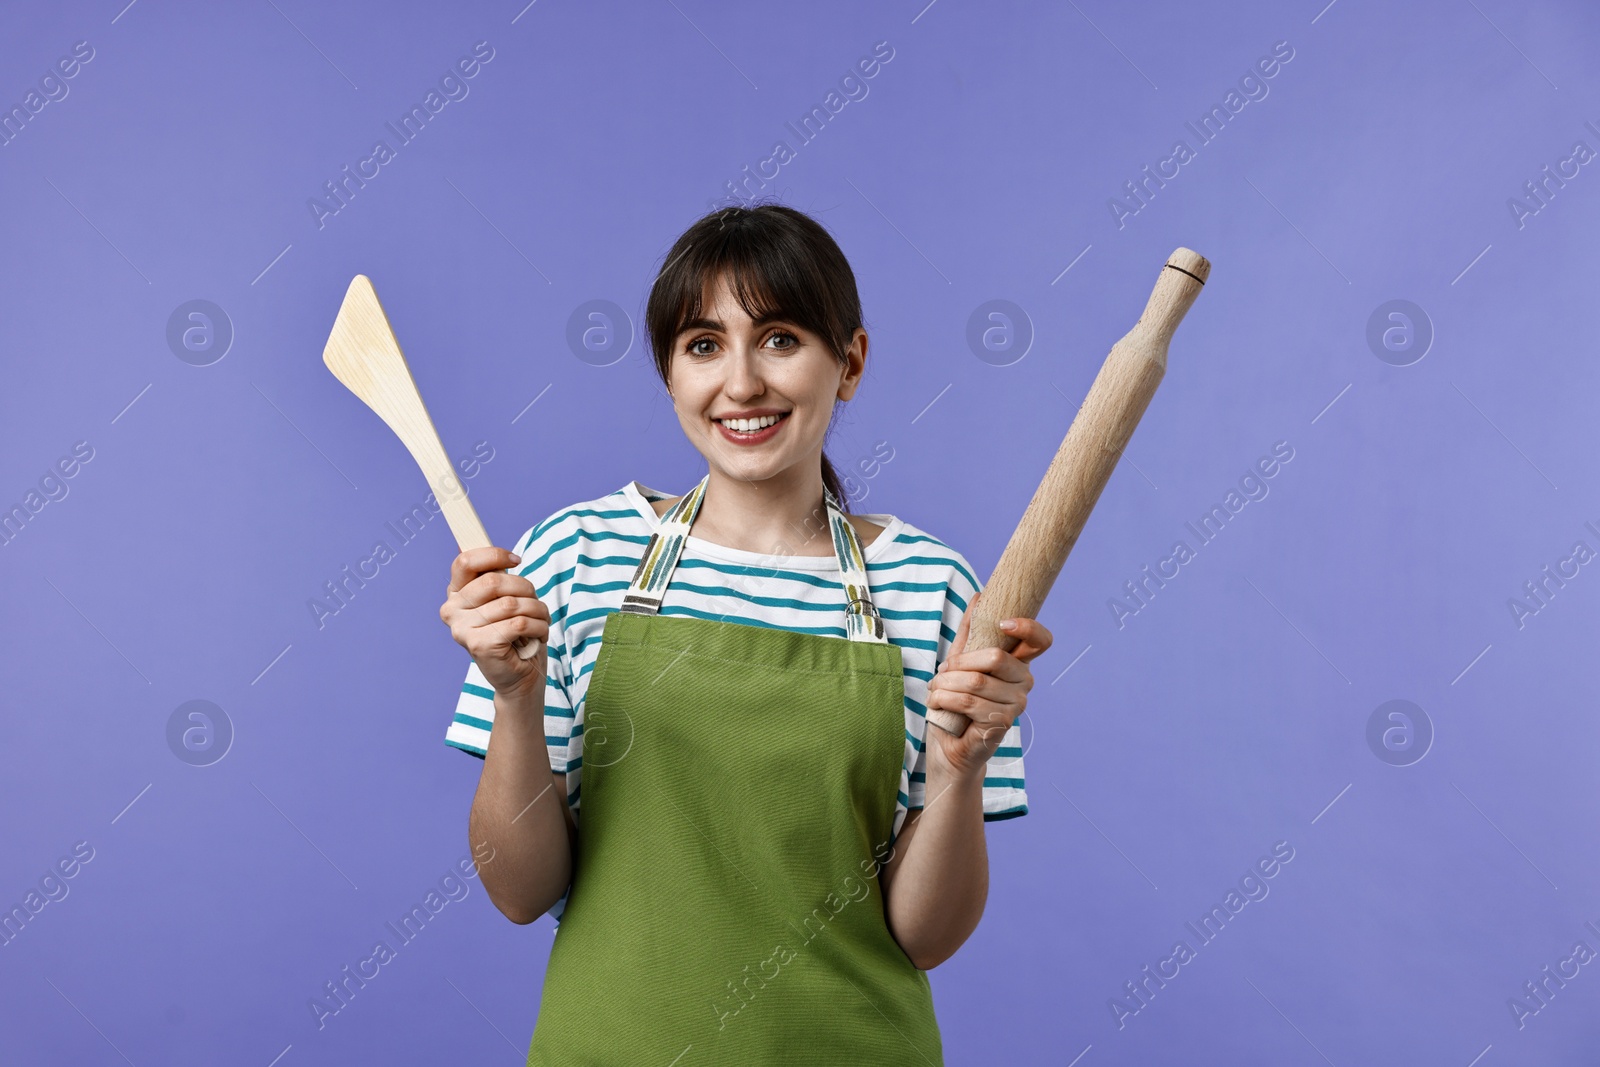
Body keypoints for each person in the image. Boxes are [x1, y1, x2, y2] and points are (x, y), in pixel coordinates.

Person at [438, 203, 1052, 1064]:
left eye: (779, 338)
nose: (741, 384)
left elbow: (925, 936)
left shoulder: (935, 587)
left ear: (851, 362)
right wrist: (515, 695)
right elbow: (518, 889)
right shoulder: (574, 557)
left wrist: (960, 767)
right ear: (669, 375)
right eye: (702, 345)